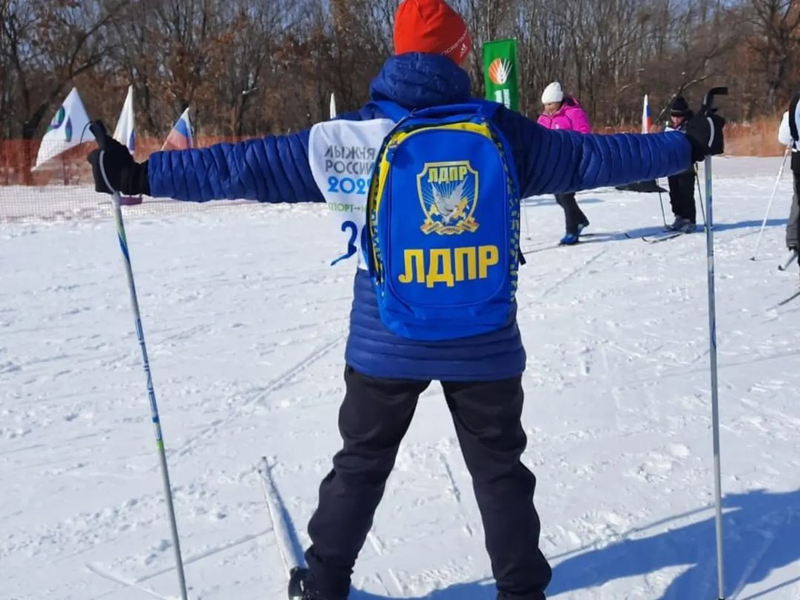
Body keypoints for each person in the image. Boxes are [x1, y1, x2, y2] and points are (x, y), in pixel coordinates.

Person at [87, 1, 723, 598]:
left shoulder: (353, 137)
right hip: (484, 341)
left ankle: (325, 582)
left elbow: (248, 165)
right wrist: (684, 145)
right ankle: (523, 589)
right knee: (500, 470)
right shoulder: (501, 131)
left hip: (386, 339)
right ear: (457, 55)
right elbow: (592, 157)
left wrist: (144, 174)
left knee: (361, 463)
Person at [537, 82, 592, 245]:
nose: (548, 108)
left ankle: (572, 231)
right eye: (545, 105)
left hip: (571, 160)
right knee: (559, 198)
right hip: (553, 162)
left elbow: (585, 134)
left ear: (559, 101)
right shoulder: (543, 118)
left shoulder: (574, 113)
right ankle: (581, 219)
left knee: (565, 196)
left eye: (551, 104)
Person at [665, 95, 698, 232]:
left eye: (679, 116)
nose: (676, 119)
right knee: (674, 193)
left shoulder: (691, 126)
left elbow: (696, 144)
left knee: (686, 193)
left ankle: (689, 219)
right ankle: (678, 216)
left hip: (686, 167)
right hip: (672, 167)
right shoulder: (668, 126)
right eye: (673, 116)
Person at [778, 93, 800, 260]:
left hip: (798, 158)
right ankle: (793, 239)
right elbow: (784, 137)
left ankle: (793, 239)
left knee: (798, 199)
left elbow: (784, 137)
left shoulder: (794, 103)